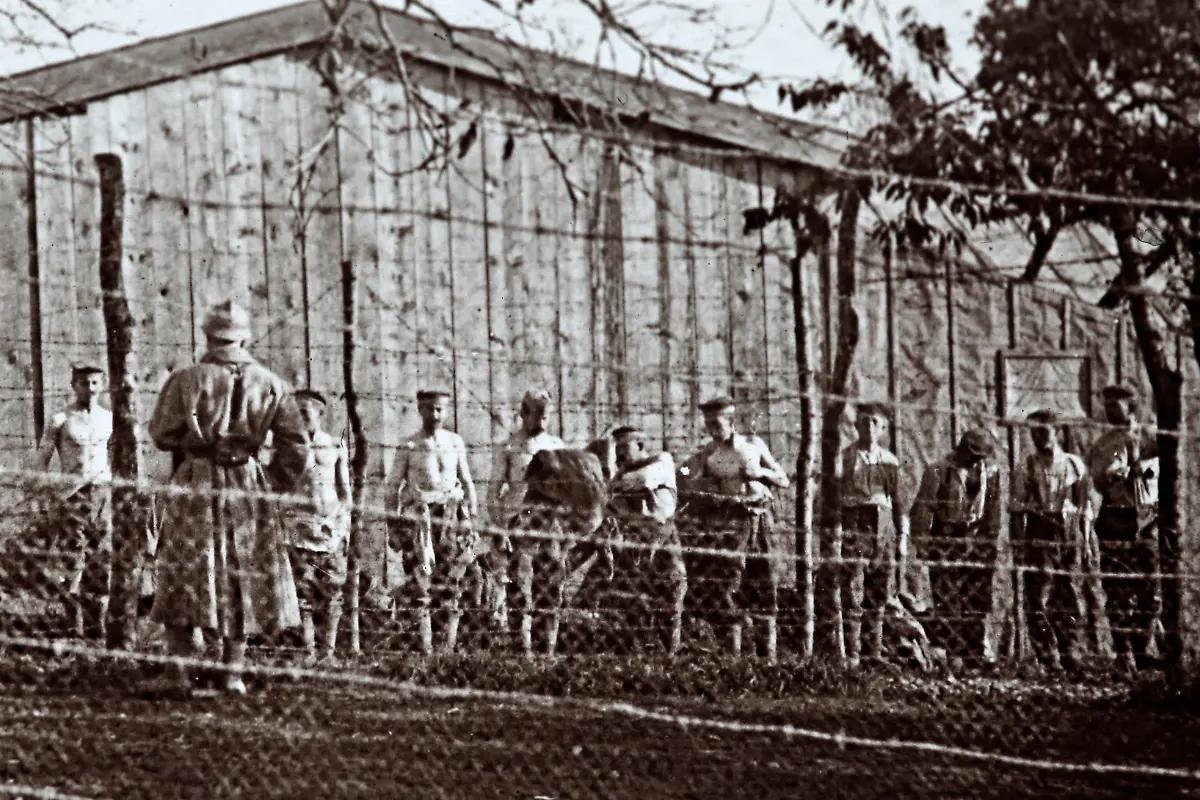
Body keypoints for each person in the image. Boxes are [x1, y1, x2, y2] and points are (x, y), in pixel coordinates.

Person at [145, 300, 308, 697]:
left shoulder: (187, 378)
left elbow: (162, 433)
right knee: (242, 567)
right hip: (247, 482)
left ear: (207, 335)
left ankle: (180, 670)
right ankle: (232, 672)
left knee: (185, 566)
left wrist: (193, 438)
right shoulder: (270, 382)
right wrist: (273, 481)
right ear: (245, 337)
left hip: (198, 479)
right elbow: (296, 445)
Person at [678, 396, 790, 659]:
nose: (711, 429)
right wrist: (690, 474)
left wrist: (761, 474)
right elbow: (681, 473)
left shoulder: (753, 445)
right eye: (707, 423)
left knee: (766, 581)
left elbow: (783, 478)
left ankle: (768, 658)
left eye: (716, 423)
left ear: (730, 421)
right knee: (731, 583)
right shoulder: (707, 454)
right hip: (731, 522)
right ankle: (735, 657)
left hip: (761, 519)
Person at [384, 389, 479, 655]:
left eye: (439, 409)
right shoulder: (410, 445)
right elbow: (392, 488)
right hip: (421, 519)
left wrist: (470, 518)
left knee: (452, 582)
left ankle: (447, 647)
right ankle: (426, 649)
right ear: (420, 410)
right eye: (428, 409)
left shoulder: (454, 442)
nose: (434, 415)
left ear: (446, 410)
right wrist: (393, 526)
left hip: (450, 517)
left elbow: (468, 482)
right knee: (421, 582)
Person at [30, 361, 113, 643]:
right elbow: (41, 461)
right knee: (73, 559)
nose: (89, 389)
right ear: (73, 385)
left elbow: (118, 458)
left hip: (102, 494)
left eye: (94, 383)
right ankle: (72, 624)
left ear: (101, 385)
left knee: (101, 559)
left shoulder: (109, 419)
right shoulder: (61, 419)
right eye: (83, 383)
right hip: (72, 495)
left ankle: (98, 625)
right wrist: (45, 496)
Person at [910, 428, 1003, 667]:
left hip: (977, 538)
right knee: (947, 597)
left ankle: (976, 653)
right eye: (971, 455)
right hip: (947, 535)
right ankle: (952, 653)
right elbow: (923, 507)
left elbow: (994, 512)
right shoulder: (939, 470)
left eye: (979, 456)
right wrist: (922, 543)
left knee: (977, 599)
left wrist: (990, 542)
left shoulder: (990, 474)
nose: (975, 461)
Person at [1086, 384, 1159, 674]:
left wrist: (1142, 467)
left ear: (1132, 406)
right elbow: (1099, 484)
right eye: (1107, 406)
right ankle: (1123, 652)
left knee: (1150, 589)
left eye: (1116, 406)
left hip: (1148, 516)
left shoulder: (1152, 437)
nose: (1110, 411)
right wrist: (1110, 477)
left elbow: (1164, 471)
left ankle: (1143, 649)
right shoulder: (1103, 445)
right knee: (1116, 588)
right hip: (1116, 517)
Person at [1010, 409, 1091, 671]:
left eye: (1044, 432)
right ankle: (1047, 655)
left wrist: (1086, 541)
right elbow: (1016, 508)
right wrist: (1019, 544)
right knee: (1039, 595)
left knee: (1069, 593)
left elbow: (1084, 506)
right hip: (1040, 529)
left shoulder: (1073, 464)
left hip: (1068, 531)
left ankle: (1072, 652)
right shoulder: (1026, 466)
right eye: (1034, 432)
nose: (1039, 438)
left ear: (1057, 433)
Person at [602, 425, 686, 655]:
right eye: (616, 448)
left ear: (640, 446)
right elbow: (607, 502)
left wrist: (615, 482)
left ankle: (670, 655)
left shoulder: (662, 461)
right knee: (632, 601)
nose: (619, 454)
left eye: (624, 447)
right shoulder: (622, 473)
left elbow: (644, 480)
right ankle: (635, 657)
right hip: (634, 540)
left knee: (670, 596)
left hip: (662, 536)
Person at [489, 389, 565, 630]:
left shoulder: (556, 445)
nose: (541, 422)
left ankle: (547, 640)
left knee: (550, 578)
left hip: (548, 523)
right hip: (517, 520)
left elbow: (567, 489)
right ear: (523, 413)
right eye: (536, 415)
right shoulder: (510, 447)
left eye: (546, 417)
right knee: (518, 580)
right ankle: (519, 639)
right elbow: (493, 491)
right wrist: (498, 526)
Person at [837, 402, 906, 667]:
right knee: (853, 587)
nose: (868, 427)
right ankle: (852, 655)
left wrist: (901, 538)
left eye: (874, 423)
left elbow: (898, 500)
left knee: (879, 589)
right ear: (856, 425)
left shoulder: (889, 461)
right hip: (855, 522)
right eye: (863, 422)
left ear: (883, 428)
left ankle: (873, 652)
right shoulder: (845, 457)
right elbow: (832, 495)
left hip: (884, 523)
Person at [285, 389, 351, 665]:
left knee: (333, 590)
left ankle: (329, 652)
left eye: (305, 413)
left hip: (329, 531)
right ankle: (309, 651)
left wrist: (341, 522)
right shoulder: (287, 448)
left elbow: (345, 491)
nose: (300, 419)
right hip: (300, 530)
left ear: (319, 414)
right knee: (304, 592)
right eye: (296, 413)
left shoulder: (335, 446)